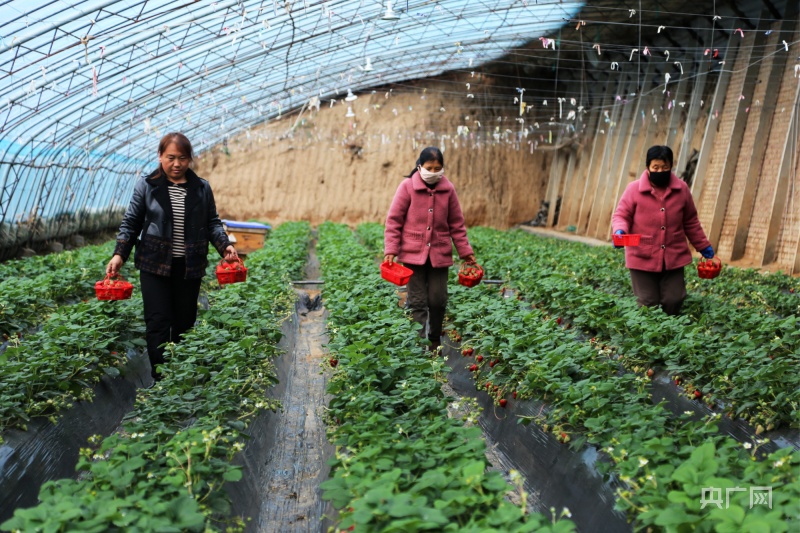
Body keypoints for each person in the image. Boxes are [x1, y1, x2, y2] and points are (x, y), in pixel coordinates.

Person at [106, 133, 237, 382]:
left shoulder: (201, 188)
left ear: (190, 159)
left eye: (182, 158)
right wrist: (119, 254)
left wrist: (225, 246)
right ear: (160, 156)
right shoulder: (147, 186)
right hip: (154, 264)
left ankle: (180, 375)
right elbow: (131, 223)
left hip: (189, 265)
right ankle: (161, 379)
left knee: (184, 322)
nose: (176, 164)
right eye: (171, 158)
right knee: (157, 321)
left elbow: (212, 222)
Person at [384, 147, 476, 352]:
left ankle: (434, 340)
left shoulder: (448, 189)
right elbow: (394, 221)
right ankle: (417, 346)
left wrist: (465, 252)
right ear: (420, 166)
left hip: (439, 254)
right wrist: (391, 248)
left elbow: (457, 224)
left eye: (438, 168)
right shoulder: (407, 187)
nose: (433, 172)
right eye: (429, 168)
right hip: (412, 255)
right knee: (417, 301)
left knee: (437, 300)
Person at [612, 145, 713, 315]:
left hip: (673, 255)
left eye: (665, 168)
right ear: (648, 168)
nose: (660, 171)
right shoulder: (633, 190)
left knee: (674, 299)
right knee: (648, 303)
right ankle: (651, 337)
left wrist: (703, 247)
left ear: (671, 167)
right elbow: (621, 215)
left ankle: (669, 334)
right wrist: (620, 231)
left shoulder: (681, 190)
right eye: (656, 167)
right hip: (641, 256)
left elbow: (691, 221)